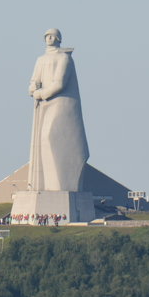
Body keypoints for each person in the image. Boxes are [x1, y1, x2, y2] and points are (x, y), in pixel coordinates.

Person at [27, 29, 89, 192]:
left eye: (52, 36)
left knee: (51, 136)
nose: (49, 38)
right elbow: (34, 80)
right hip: (44, 104)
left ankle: (62, 186)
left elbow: (59, 83)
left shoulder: (64, 58)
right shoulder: (41, 59)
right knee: (43, 142)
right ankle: (48, 186)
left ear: (58, 39)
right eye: (47, 36)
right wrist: (33, 88)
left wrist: (41, 93)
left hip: (60, 104)